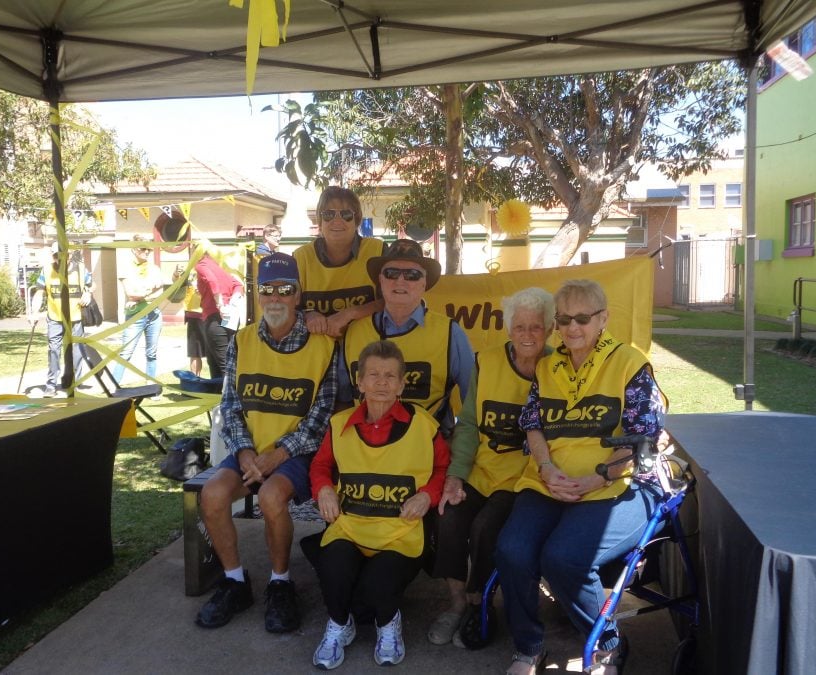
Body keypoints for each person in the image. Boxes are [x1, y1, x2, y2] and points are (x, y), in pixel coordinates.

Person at [495, 279, 666, 675]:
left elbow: (643, 437)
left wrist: (598, 477)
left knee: (565, 558)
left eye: (583, 319)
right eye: (565, 319)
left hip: (615, 485)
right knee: (513, 550)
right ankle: (527, 647)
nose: (573, 327)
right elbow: (533, 424)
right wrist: (546, 468)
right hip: (548, 481)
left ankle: (607, 643)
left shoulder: (630, 362)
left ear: (602, 319)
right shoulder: (548, 365)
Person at [195, 252, 339, 635]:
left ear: (298, 294)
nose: (275, 298)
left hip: (296, 455)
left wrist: (276, 456)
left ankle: (280, 583)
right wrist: (244, 452)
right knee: (210, 494)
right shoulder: (241, 340)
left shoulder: (323, 344)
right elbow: (230, 403)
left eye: (284, 289)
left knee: (272, 497)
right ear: (258, 295)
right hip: (250, 452)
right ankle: (235, 581)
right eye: (267, 290)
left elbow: (320, 417)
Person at [427, 287, 556, 648]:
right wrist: (455, 476)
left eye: (536, 327)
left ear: (548, 329)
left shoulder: (557, 367)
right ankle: (455, 604)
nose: (527, 334)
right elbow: (468, 424)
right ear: (508, 327)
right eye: (520, 326)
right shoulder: (487, 361)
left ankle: (480, 604)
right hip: (483, 469)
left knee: (486, 527)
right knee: (449, 515)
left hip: (523, 478)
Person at [309, 340, 449, 669]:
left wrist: (427, 494)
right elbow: (319, 467)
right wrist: (324, 490)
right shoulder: (338, 424)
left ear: (402, 384)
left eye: (390, 376)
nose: (381, 382)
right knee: (332, 568)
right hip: (350, 527)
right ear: (359, 381)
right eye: (373, 374)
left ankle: (388, 624)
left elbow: (443, 468)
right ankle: (339, 626)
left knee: (377, 585)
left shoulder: (423, 425)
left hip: (400, 533)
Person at [338, 238, 473, 436]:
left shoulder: (451, 333)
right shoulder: (353, 332)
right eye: (391, 273)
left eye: (412, 275)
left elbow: (472, 405)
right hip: (364, 449)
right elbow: (342, 400)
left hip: (429, 450)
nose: (400, 281)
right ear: (380, 281)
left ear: (424, 283)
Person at [292, 186, 387, 338]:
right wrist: (308, 315)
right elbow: (286, 306)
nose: (337, 220)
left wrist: (351, 313)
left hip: (368, 351)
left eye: (346, 214)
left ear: (357, 221)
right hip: (317, 351)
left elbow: (393, 301)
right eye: (329, 214)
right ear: (320, 221)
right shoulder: (300, 258)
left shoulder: (378, 251)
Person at [28, 242, 92, 397]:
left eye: (62, 255)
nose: (59, 259)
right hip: (55, 317)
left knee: (77, 352)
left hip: (75, 318)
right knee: (54, 350)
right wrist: (34, 312)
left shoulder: (80, 269)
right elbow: (39, 292)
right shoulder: (47, 270)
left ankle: (75, 383)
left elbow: (91, 284)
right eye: (56, 255)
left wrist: (88, 293)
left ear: (69, 255)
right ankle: (51, 385)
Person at [112, 234, 165, 384]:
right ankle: (114, 386)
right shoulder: (125, 268)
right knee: (126, 353)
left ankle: (151, 386)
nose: (147, 252)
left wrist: (141, 295)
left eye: (149, 249)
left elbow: (160, 292)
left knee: (152, 353)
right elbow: (131, 293)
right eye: (143, 249)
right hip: (135, 316)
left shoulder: (154, 268)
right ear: (135, 249)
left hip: (154, 314)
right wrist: (149, 290)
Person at [194, 251, 245, 380]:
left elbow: (212, 281)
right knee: (216, 360)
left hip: (215, 316)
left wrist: (220, 304)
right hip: (229, 317)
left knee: (224, 364)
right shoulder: (218, 267)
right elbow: (238, 285)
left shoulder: (201, 265)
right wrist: (232, 301)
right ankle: (218, 395)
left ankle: (232, 397)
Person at [172, 264, 207, 376]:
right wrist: (176, 274)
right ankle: (196, 380)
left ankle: (219, 382)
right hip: (193, 313)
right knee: (195, 352)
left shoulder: (212, 266)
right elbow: (177, 283)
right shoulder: (190, 268)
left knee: (214, 352)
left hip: (209, 313)